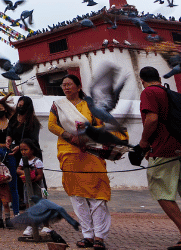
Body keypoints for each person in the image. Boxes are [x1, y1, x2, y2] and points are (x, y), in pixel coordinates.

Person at [48, 73, 115, 250]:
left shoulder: (90, 105)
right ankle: (87, 235)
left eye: (69, 84)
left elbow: (102, 124)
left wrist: (87, 134)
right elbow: (51, 125)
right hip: (69, 153)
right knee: (77, 197)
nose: (66, 87)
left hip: (91, 152)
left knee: (97, 196)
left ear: (78, 87)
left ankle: (99, 236)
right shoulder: (58, 106)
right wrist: (69, 135)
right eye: (63, 85)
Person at [136, 66, 181, 250]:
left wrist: (144, 142)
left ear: (142, 80)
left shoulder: (149, 92)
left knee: (161, 190)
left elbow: (152, 119)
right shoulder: (175, 94)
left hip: (164, 149)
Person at [0, 98, 21, 216]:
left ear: (6, 109)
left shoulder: (12, 122)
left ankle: (16, 212)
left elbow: (16, 139)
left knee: (12, 183)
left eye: (1, 108)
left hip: (9, 152)